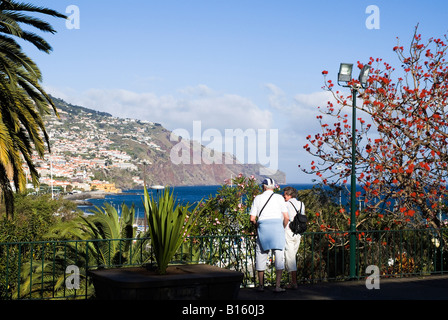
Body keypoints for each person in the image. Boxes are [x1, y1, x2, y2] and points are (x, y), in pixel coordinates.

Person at [249, 178, 289, 292]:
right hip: (277, 228)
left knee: (260, 255)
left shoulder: (258, 198)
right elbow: (286, 217)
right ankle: (277, 286)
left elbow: (252, 218)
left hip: (263, 228)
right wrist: (282, 227)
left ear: (264, 187)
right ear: (273, 187)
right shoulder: (279, 198)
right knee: (279, 258)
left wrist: (258, 226)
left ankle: (261, 285)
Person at [283, 186, 304, 289]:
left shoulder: (285, 204)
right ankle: (293, 281)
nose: (284, 196)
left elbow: (284, 218)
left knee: (290, 257)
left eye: (285, 195)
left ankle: (294, 282)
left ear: (289, 195)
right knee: (293, 256)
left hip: (288, 231)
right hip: (298, 232)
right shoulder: (301, 204)